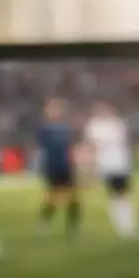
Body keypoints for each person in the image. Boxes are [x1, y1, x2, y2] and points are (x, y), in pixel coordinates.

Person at [84, 101, 137, 238]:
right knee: (114, 195)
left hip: (120, 164)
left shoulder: (117, 124)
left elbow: (123, 142)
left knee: (124, 194)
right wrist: (92, 167)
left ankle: (128, 223)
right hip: (106, 165)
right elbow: (92, 147)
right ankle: (121, 225)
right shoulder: (94, 126)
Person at [35, 98, 80, 236]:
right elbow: (43, 146)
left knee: (73, 199)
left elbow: (71, 146)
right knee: (52, 198)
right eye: (52, 109)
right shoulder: (44, 128)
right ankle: (44, 223)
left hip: (66, 166)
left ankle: (72, 228)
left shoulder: (67, 128)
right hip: (52, 166)